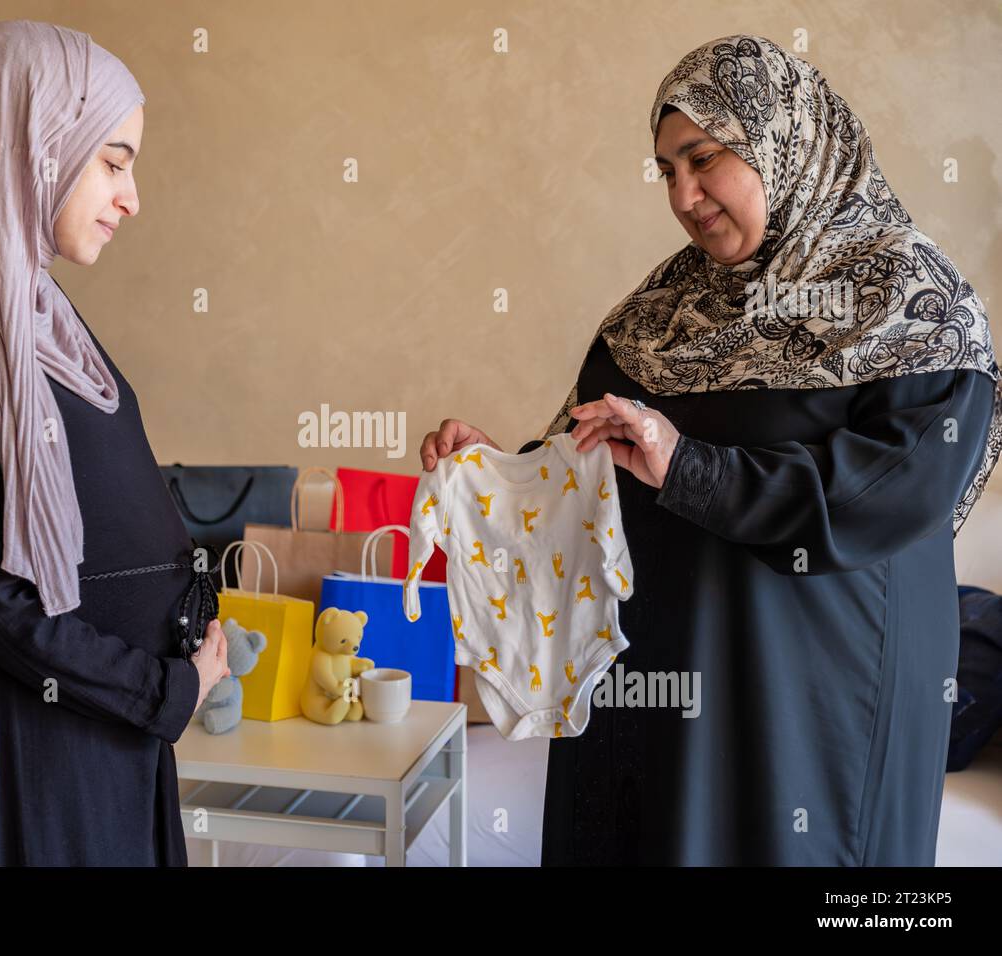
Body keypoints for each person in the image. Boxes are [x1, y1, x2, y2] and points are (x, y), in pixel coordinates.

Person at [420, 34, 1001, 865]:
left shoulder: (911, 306)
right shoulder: (659, 314)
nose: (685, 195)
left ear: (785, 141)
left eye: (704, 158)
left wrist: (689, 465)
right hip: (644, 701)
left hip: (810, 711)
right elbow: (587, 465)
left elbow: (893, 496)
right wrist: (495, 474)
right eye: (666, 171)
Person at [0, 19, 230, 865]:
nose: (131, 197)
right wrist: (164, 690)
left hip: (104, 733)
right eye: (111, 162)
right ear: (21, 149)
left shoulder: (38, 316)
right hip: (27, 756)